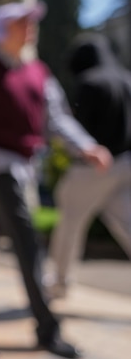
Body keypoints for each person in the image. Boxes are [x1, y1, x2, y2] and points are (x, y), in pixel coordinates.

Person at [0, 1, 112, 359]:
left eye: (32, 23)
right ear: (4, 30)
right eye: (23, 23)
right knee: (25, 237)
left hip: (25, 166)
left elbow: (58, 119)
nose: (31, 28)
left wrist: (87, 146)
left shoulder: (39, 72)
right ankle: (47, 328)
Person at [46, 33, 131, 298]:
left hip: (92, 169)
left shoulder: (90, 83)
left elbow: (75, 130)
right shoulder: (127, 79)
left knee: (69, 224)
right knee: (127, 224)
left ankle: (59, 282)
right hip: (126, 165)